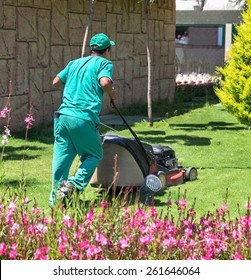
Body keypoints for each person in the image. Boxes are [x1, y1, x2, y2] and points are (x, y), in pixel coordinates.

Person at [49, 33, 117, 206]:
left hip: (63, 117)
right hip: (83, 117)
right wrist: (112, 94)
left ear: (92, 49)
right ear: (107, 50)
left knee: (61, 161)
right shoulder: (104, 63)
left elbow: (56, 81)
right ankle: (73, 184)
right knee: (94, 154)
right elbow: (104, 82)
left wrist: (73, 89)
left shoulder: (74, 63)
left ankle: (56, 202)